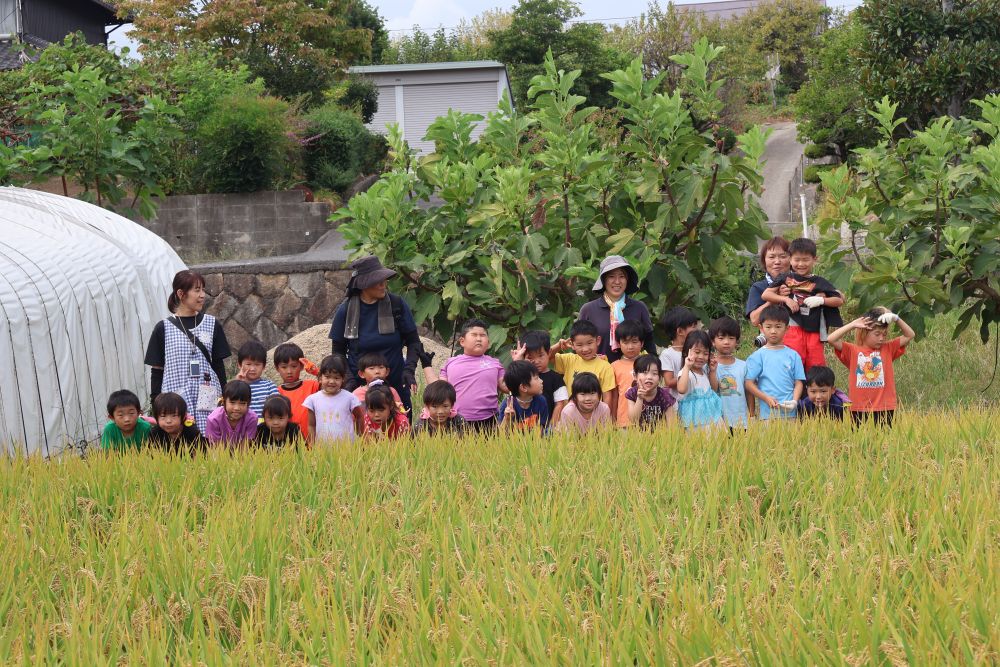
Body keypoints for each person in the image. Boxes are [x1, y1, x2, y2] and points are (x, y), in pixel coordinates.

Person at [329, 255, 429, 415]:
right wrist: (350, 380)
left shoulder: (396, 305)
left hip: (396, 383)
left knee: (401, 433)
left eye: (384, 280)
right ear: (364, 284)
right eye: (378, 281)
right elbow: (338, 352)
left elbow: (413, 342)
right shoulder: (346, 311)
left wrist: (408, 371)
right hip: (360, 388)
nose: (384, 285)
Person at [145, 270, 231, 434]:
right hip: (175, 398)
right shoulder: (163, 328)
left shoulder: (212, 324)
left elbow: (218, 366)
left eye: (203, 290)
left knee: (209, 440)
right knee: (180, 444)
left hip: (208, 396)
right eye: (197, 290)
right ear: (181, 293)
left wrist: (225, 396)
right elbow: (157, 371)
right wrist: (156, 403)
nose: (202, 295)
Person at [761, 237, 844, 372]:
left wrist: (822, 301)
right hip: (792, 328)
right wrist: (786, 299)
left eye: (805, 260)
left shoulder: (819, 281)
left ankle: (814, 391)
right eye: (797, 260)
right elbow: (766, 294)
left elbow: (839, 300)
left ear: (814, 259)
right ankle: (794, 391)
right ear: (790, 259)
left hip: (814, 330)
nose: (801, 264)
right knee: (793, 363)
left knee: (816, 365)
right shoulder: (786, 277)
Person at [827, 307, 915, 428]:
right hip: (859, 408)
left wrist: (896, 318)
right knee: (860, 442)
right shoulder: (852, 350)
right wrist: (853, 324)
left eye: (884, 334)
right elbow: (831, 339)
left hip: (885, 407)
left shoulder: (888, 348)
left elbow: (910, 335)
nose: (881, 338)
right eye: (877, 334)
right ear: (864, 332)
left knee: (885, 443)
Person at [577, 255, 656, 361]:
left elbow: (649, 345)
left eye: (622, 276)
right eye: (611, 276)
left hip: (632, 373)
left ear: (627, 279)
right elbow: (578, 346)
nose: (617, 281)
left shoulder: (639, 308)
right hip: (598, 374)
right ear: (603, 280)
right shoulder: (588, 310)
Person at [439, 319, 506, 433]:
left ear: (488, 342)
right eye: (474, 335)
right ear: (462, 341)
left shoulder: (495, 363)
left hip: (489, 419)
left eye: (483, 335)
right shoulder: (450, 363)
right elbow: (440, 390)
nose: (479, 338)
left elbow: (506, 387)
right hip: (456, 419)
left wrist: (518, 362)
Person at [744, 305, 806, 420]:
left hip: (790, 414)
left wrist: (794, 401)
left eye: (778, 327)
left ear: (787, 328)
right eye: (768, 327)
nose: (773, 331)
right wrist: (766, 398)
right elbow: (749, 383)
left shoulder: (794, 355)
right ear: (761, 328)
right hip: (767, 415)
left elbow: (798, 382)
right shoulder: (757, 356)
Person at [549, 320, 617, 408]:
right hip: (569, 417)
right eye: (579, 345)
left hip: (594, 418)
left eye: (589, 343)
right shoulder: (569, 360)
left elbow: (607, 397)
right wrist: (559, 345)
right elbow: (548, 356)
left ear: (598, 340)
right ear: (572, 345)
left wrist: (604, 418)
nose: (585, 349)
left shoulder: (605, 367)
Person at [303, 354, 365, 445]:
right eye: (327, 377)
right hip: (322, 449)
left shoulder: (350, 398)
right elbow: (311, 425)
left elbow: (359, 416)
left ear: (343, 379)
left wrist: (360, 437)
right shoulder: (312, 399)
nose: (332, 381)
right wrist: (312, 444)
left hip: (347, 449)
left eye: (336, 378)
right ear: (320, 378)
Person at [511, 331, 568, 426]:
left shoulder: (556, 378)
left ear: (549, 353)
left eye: (541, 355)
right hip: (523, 428)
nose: (536, 361)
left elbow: (560, 404)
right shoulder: (522, 378)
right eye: (530, 357)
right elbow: (511, 389)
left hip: (548, 426)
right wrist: (518, 362)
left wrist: (550, 428)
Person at [709, 316, 754, 428]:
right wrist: (712, 371)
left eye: (731, 338)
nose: (726, 342)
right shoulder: (710, 366)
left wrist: (752, 416)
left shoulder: (743, 365)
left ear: (737, 342)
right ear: (713, 342)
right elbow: (712, 390)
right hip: (718, 422)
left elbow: (749, 392)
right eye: (721, 338)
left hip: (742, 422)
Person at [746, 237, 792, 344]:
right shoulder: (759, 287)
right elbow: (754, 320)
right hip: (771, 347)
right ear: (764, 261)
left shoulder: (799, 282)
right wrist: (774, 297)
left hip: (799, 345)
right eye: (771, 257)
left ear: (791, 259)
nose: (777, 262)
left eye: (783, 256)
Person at [676, 330, 724, 429]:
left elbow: (713, 389)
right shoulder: (685, 372)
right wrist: (686, 367)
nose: (701, 357)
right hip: (695, 420)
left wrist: (713, 371)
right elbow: (681, 389)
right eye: (697, 352)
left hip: (711, 417)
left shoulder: (704, 371)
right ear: (686, 352)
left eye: (705, 353)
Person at [274, 343, 320, 442]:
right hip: (289, 445)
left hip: (314, 441)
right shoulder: (276, 392)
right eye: (284, 367)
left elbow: (330, 386)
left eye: (294, 366)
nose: (289, 371)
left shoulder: (312, 386)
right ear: (277, 368)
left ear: (302, 366)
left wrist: (316, 372)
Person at [659, 306, 702, 399]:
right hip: (678, 404)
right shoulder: (667, 354)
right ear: (680, 331)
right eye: (693, 326)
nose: (696, 330)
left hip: (697, 401)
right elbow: (669, 382)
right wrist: (690, 371)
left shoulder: (697, 351)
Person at [610, 320, 646, 427]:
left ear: (642, 343)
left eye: (634, 342)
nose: (630, 347)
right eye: (625, 342)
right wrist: (613, 418)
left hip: (647, 420)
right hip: (623, 420)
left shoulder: (648, 363)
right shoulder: (614, 366)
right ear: (619, 344)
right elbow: (614, 396)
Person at [624, 355, 676, 428]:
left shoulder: (665, 396)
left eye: (654, 373)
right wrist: (639, 399)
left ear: (660, 377)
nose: (649, 377)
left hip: (660, 437)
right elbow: (633, 420)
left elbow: (672, 426)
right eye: (645, 373)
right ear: (635, 376)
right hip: (638, 437)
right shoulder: (632, 393)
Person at [498, 360, 548, 432]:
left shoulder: (541, 401)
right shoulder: (507, 405)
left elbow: (542, 428)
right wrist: (507, 418)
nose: (541, 381)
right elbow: (501, 435)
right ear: (524, 387)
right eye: (536, 378)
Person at [235, 340, 279, 418]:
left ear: (264, 366)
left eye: (257, 364)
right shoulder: (233, 387)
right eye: (248, 364)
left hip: (264, 428)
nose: (252, 368)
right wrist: (237, 384)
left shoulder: (269, 386)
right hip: (242, 428)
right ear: (239, 365)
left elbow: (277, 408)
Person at [206, 380, 257, 446]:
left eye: (242, 403)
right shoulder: (214, 419)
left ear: (248, 403)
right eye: (232, 403)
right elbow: (216, 449)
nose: (237, 408)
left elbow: (245, 448)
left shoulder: (252, 418)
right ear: (224, 402)